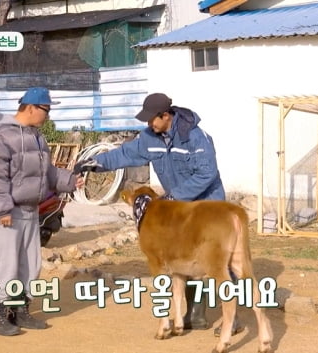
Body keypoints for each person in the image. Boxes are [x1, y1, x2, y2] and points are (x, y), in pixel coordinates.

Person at [75, 92, 243, 337]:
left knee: (220, 261)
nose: (148, 124)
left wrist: (175, 197)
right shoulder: (150, 137)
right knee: (185, 257)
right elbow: (125, 154)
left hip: (208, 205)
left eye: (152, 119)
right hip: (180, 208)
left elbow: (207, 174)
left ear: (166, 116)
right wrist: (95, 164)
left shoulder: (196, 137)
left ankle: (233, 317)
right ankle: (196, 314)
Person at [0, 87, 84, 336]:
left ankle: (21, 311)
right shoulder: (2, 136)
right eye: (46, 110)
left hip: (30, 210)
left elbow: (47, 172)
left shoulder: (37, 137)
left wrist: (70, 180)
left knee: (30, 263)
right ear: (30, 108)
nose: (48, 116)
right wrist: (2, 209)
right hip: (10, 212)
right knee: (7, 263)